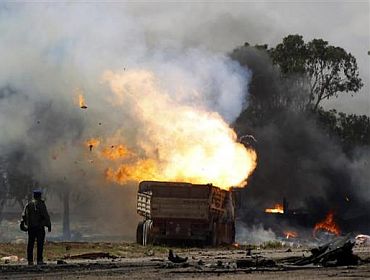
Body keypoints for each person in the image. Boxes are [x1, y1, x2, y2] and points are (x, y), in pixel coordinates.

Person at [22, 189, 51, 265]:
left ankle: (30, 261)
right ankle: (39, 260)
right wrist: (48, 225)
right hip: (39, 227)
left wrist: (24, 225)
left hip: (31, 228)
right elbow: (46, 215)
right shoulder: (41, 204)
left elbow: (24, 216)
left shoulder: (29, 204)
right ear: (39, 196)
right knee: (40, 244)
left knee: (30, 244)